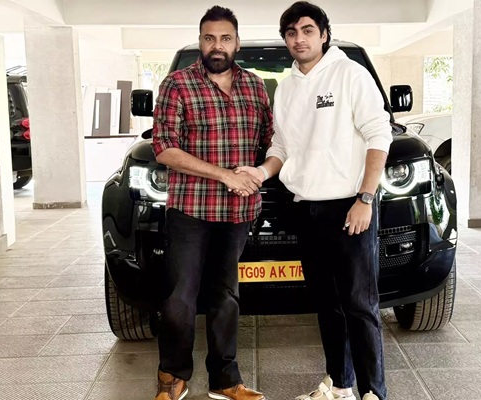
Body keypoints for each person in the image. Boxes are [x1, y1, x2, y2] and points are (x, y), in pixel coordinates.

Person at [235, 2, 391, 399]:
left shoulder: (350, 74)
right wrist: (261, 173)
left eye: (307, 30)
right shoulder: (287, 88)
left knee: (360, 304)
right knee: (327, 303)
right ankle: (339, 386)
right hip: (305, 208)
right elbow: (281, 147)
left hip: (349, 207)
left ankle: (374, 392)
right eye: (291, 32)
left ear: (323, 34)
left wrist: (366, 197)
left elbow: (379, 135)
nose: (299, 39)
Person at [151, 5, 272, 400]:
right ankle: (173, 375)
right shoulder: (177, 84)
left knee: (226, 297)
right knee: (179, 298)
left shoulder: (255, 87)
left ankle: (225, 380)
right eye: (209, 38)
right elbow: (164, 148)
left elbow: (272, 141)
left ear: (237, 43)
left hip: (239, 212)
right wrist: (225, 175)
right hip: (191, 208)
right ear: (200, 42)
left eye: (225, 38)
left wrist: (258, 172)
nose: (217, 46)